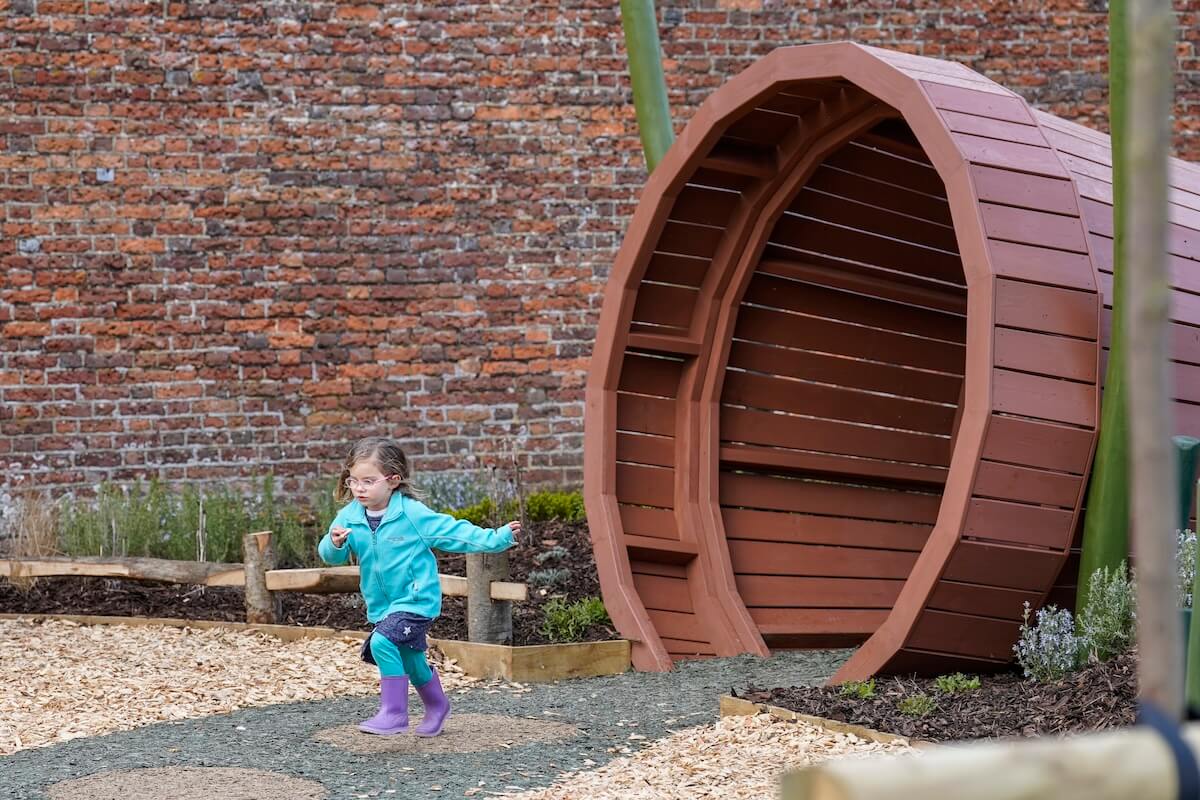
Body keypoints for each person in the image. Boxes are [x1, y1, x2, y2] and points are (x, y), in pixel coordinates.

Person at [318, 437, 519, 737]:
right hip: (382, 607)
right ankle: (437, 706)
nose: (359, 488)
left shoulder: (413, 515)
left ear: (393, 480)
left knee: (382, 643)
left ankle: (394, 713)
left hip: (416, 600)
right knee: (412, 661)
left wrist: (497, 538)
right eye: (353, 481)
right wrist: (333, 543)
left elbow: (456, 533)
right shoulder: (349, 517)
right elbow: (330, 556)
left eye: (368, 481)